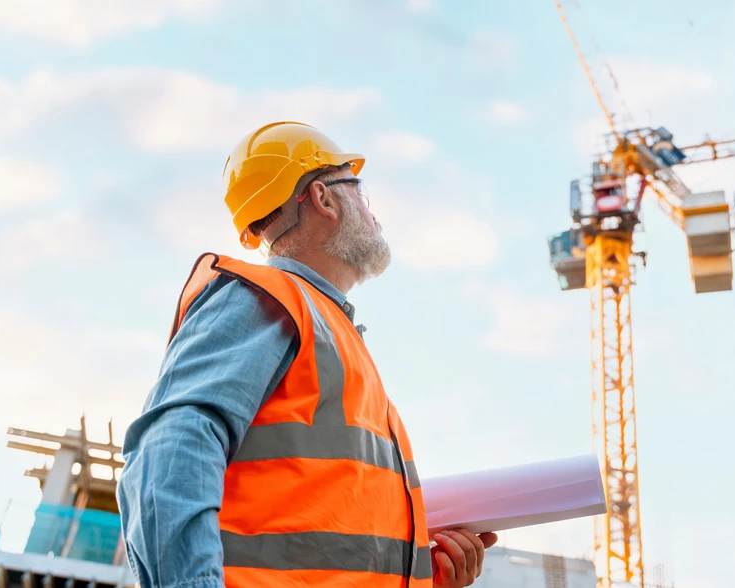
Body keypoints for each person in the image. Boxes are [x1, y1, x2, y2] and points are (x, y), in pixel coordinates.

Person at [117, 121, 497, 588]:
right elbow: (169, 451)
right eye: (361, 193)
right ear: (323, 198)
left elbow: (320, 538)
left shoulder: (333, 338)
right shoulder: (270, 299)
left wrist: (427, 579)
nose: (373, 214)